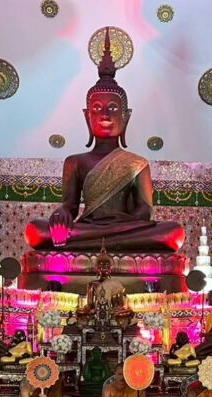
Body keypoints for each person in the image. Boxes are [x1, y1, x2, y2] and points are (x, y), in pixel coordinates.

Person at [24, 29, 185, 253]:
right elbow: (70, 206)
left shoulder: (137, 163)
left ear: (125, 117)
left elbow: (145, 211)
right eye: (97, 109)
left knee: (173, 232)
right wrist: (61, 214)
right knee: (35, 231)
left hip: (125, 227)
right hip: (88, 227)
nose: (105, 115)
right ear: (87, 116)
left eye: (113, 109)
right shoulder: (75, 162)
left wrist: (119, 222)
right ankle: (108, 243)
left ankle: (95, 243)